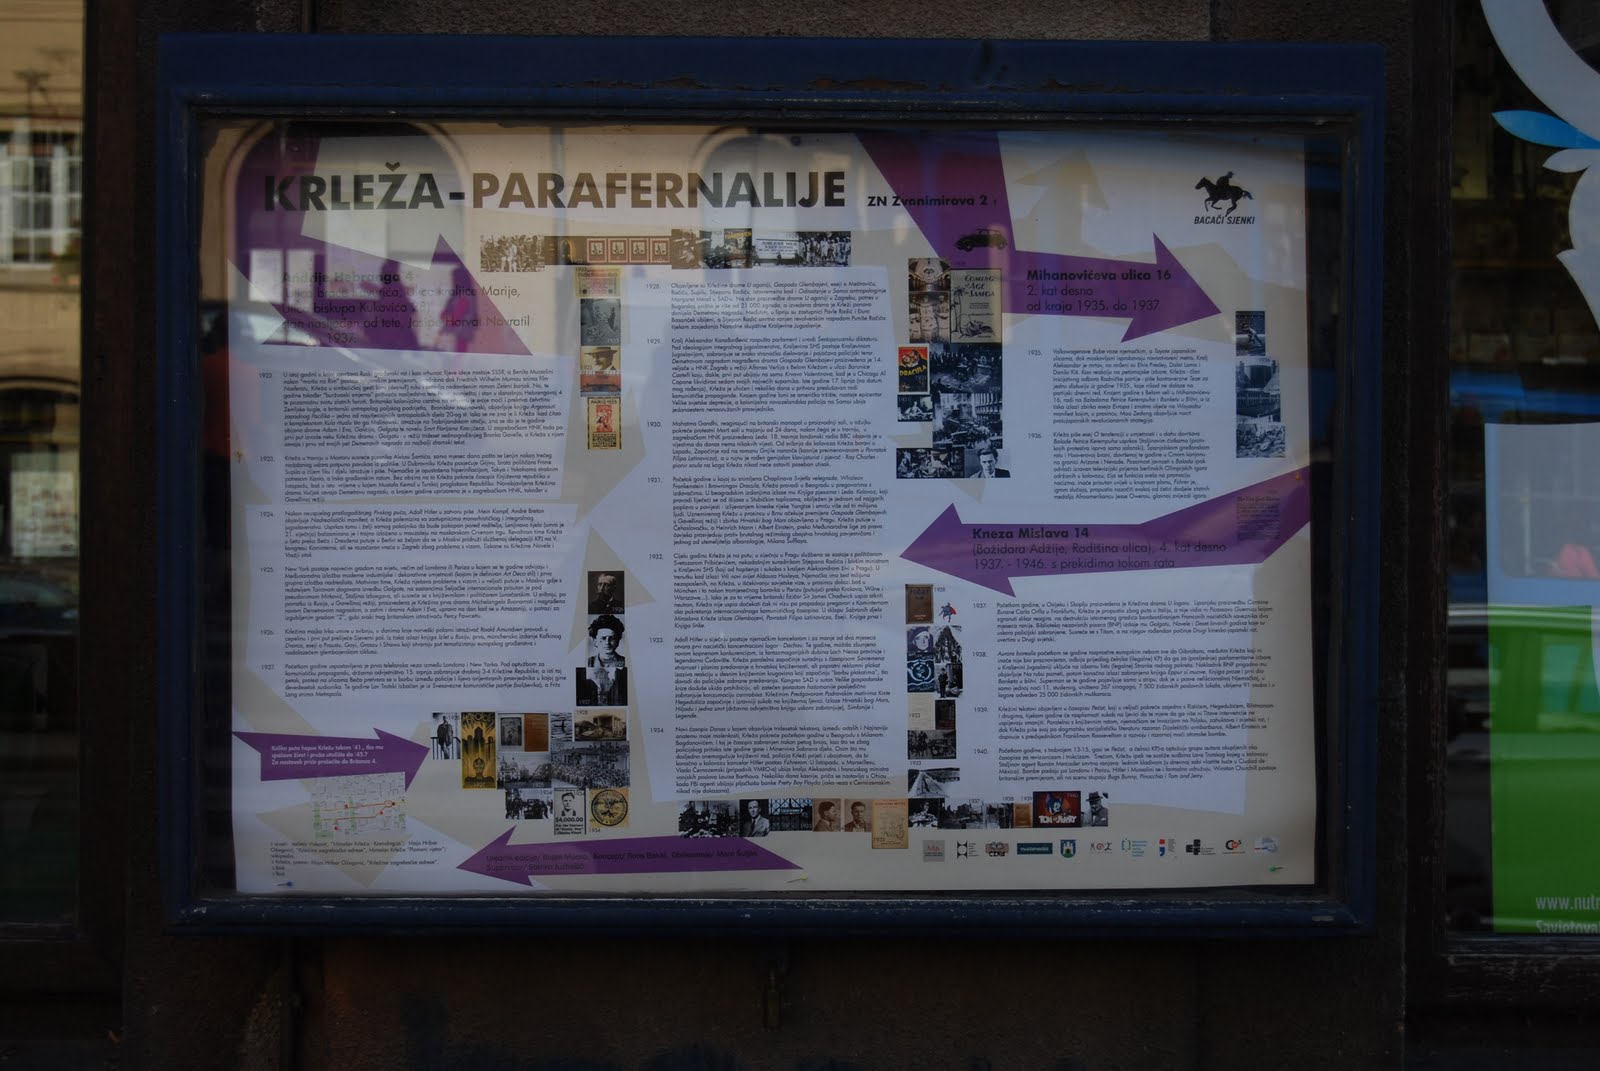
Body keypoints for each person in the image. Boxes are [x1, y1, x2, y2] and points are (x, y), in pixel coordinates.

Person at [577, 613, 627, 705]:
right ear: (595, 641)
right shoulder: (587, 663)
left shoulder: (625, 663)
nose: (607, 642)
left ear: (618, 641)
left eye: (612, 638)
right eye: (603, 638)